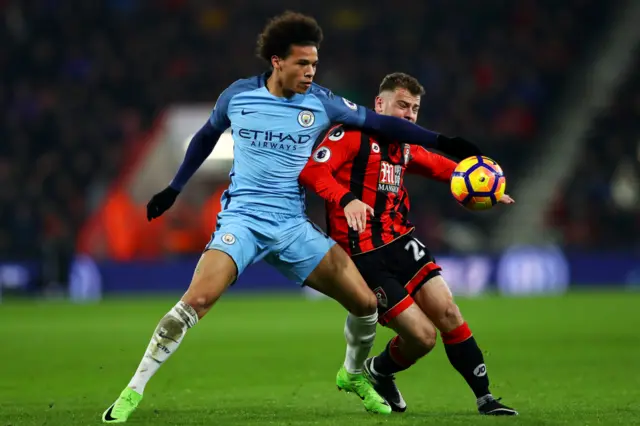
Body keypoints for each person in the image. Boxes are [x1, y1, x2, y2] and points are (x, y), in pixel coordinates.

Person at [102, 12, 483, 423]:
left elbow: (381, 123)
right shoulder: (237, 96)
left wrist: (443, 142)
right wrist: (174, 189)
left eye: (314, 64)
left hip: (292, 224)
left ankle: (354, 375)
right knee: (195, 301)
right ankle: (132, 391)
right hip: (242, 221)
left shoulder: (322, 101)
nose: (310, 72)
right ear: (276, 61)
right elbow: (205, 136)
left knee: (365, 302)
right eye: (302, 63)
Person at [299, 72, 518, 416]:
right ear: (379, 104)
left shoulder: (402, 145)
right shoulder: (349, 135)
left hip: (403, 242)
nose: (409, 114)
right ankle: (378, 371)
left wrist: (483, 184)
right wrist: (345, 199)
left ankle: (485, 398)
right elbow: (313, 171)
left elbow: (438, 166)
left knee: (448, 312)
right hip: (363, 257)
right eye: (402, 105)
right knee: (422, 338)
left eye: (414, 108)